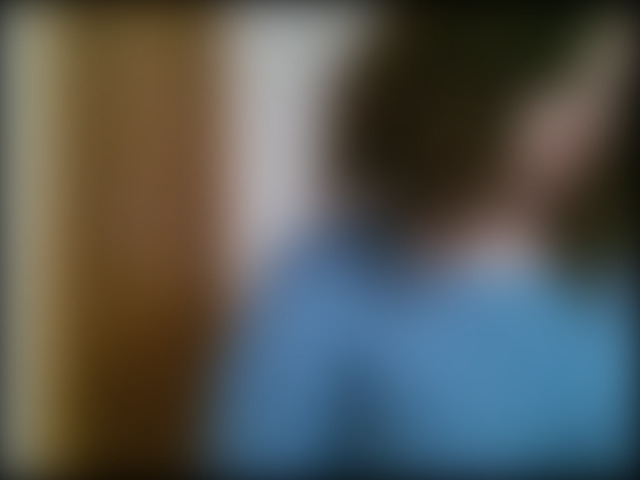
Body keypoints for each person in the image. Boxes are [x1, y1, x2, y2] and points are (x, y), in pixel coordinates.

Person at [207, 6, 636, 475]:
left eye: (606, 91)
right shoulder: (327, 281)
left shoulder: (616, 266)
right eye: (561, 82)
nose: (591, 121)